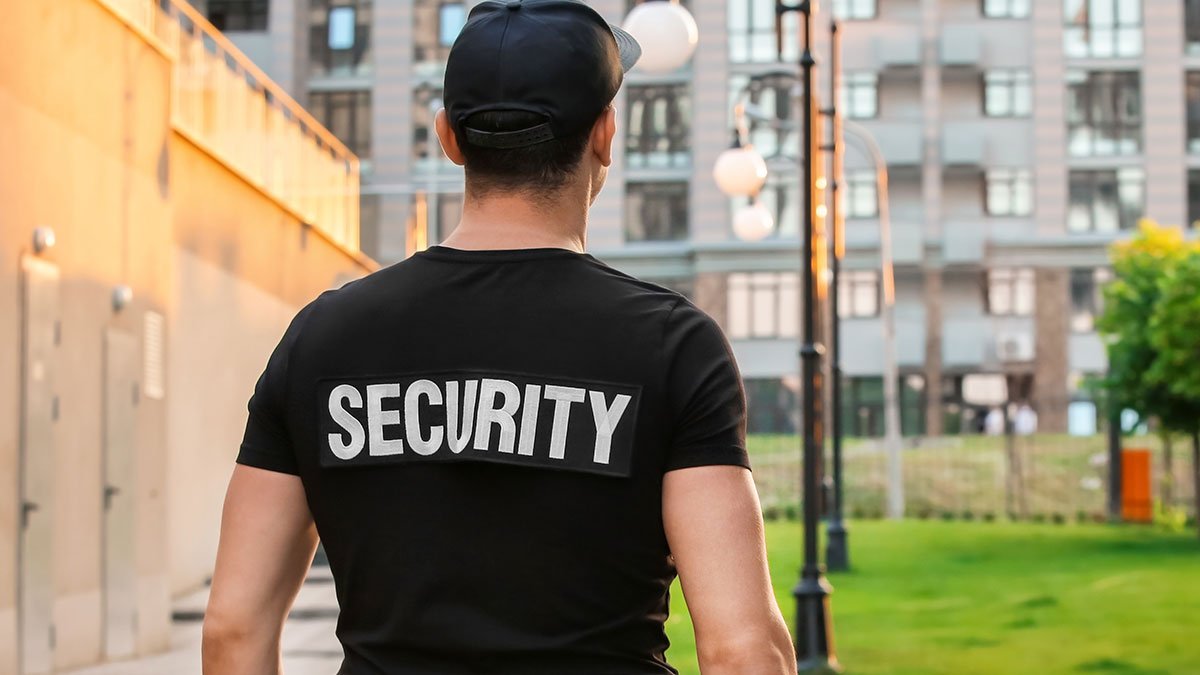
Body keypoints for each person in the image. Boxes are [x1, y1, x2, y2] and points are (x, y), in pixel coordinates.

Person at [201, 1, 796, 673]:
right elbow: (742, 649)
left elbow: (233, 629)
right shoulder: (671, 345)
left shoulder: (321, 338)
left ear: (449, 137)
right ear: (604, 135)